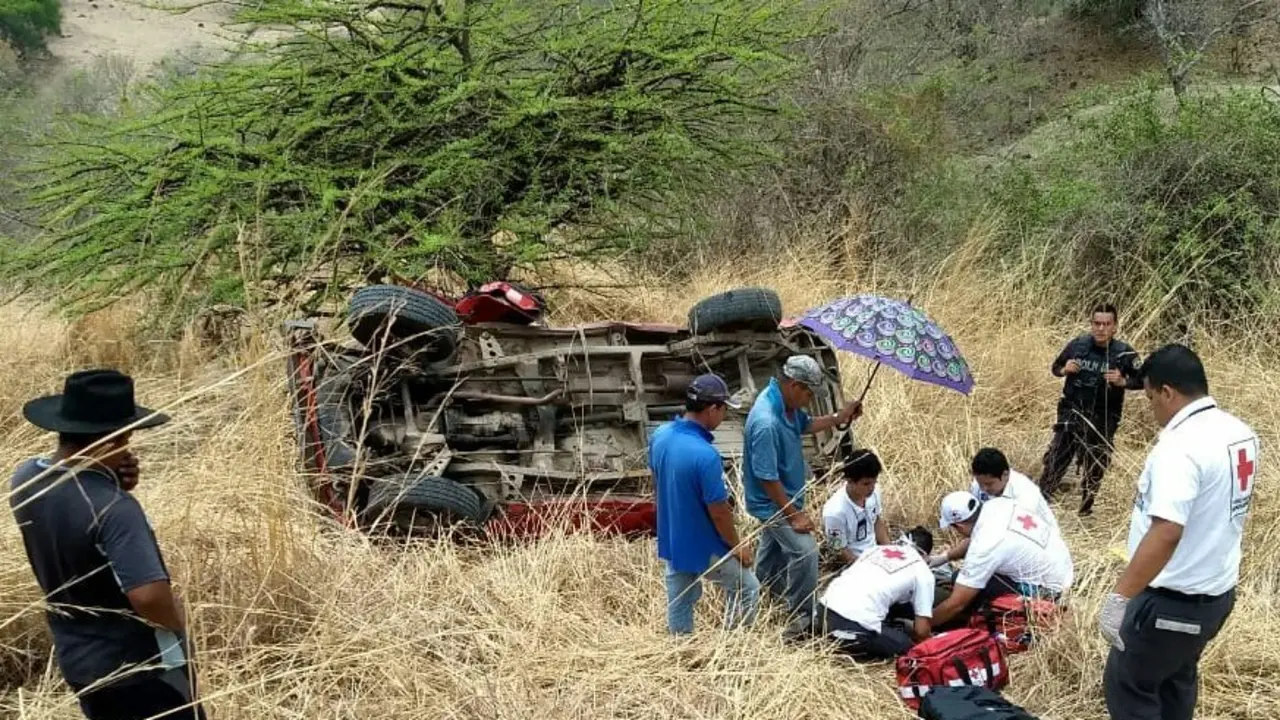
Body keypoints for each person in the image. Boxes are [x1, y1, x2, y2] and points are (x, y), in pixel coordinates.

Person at [8, 369, 205, 720]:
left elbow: (72, 505)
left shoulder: (25, 479)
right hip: (142, 670)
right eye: (126, 438)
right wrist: (179, 626)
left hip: (82, 662)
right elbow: (148, 596)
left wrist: (108, 476)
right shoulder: (115, 509)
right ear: (115, 439)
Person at [1100, 344, 1256, 720]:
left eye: (1152, 398)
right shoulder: (1239, 432)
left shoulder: (1180, 447)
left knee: (1130, 687)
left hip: (1172, 599)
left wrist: (1120, 596)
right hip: (1215, 594)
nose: (1152, 409)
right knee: (1174, 679)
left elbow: (1167, 530)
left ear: (1168, 392)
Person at [742, 354, 864, 622]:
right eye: (809, 393)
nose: (810, 399)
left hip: (787, 496)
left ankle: (763, 597)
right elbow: (767, 477)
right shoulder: (766, 422)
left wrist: (839, 417)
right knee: (805, 551)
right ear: (795, 385)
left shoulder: (785, 404)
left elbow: (805, 424)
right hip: (771, 503)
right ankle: (801, 616)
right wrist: (793, 515)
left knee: (771, 551)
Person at [651, 373, 759, 635]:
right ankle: (733, 647)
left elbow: (656, 480)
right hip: (702, 541)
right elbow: (719, 513)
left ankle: (680, 647)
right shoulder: (706, 455)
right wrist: (738, 546)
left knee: (680, 598)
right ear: (712, 409)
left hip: (673, 535)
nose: (723, 418)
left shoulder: (660, 435)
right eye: (723, 410)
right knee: (747, 588)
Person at [1038, 303, 1144, 516]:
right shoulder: (1078, 345)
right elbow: (1055, 367)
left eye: (1106, 324)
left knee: (1096, 460)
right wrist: (1064, 369)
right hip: (1072, 410)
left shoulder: (1124, 353)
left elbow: (1144, 379)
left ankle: (1085, 508)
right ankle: (1041, 503)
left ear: (1115, 326)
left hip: (1104, 415)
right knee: (1058, 454)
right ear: (1091, 324)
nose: (1101, 329)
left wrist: (1123, 381)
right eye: (1097, 323)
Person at [931, 491, 1074, 629]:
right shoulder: (997, 505)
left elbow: (957, 604)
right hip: (1063, 568)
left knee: (967, 586)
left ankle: (983, 620)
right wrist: (944, 557)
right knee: (963, 578)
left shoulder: (985, 546)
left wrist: (923, 626)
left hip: (1047, 591)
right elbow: (972, 539)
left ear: (960, 526)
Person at [816, 527, 937, 660]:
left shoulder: (875, 550)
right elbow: (921, 632)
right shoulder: (922, 570)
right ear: (926, 556)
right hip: (854, 627)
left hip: (823, 612)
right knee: (907, 648)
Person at [927, 447, 1058, 568]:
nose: (984, 489)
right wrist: (944, 558)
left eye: (989, 484)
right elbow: (979, 530)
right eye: (980, 484)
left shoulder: (1025, 496)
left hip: (1033, 547)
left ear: (1005, 474)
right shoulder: (979, 487)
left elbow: (1014, 540)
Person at [822, 450, 889, 567]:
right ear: (850, 481)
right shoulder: (835, 512)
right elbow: (838, 549)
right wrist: (862, 567)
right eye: (866, 484)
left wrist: (889, 550)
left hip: (877, 555)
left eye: (874, 482)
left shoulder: (874, 492)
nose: (872, 488)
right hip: (855, 564)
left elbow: (876, 521)